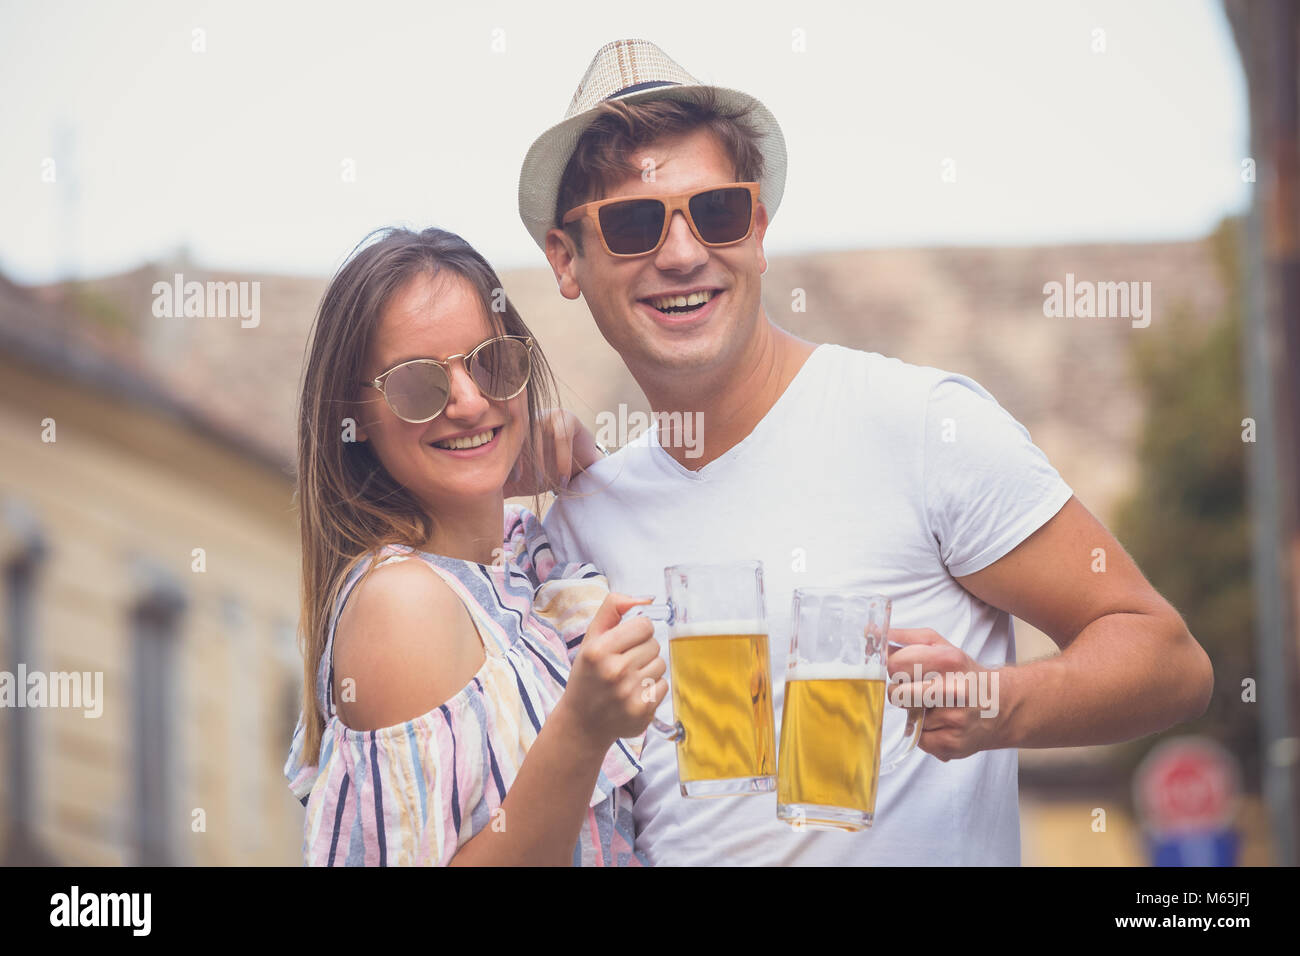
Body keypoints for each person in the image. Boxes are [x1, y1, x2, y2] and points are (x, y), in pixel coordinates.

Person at [518, 38, 1215, 865]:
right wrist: (489, 479)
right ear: (567, 258)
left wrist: (1000, 704)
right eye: (634, 223)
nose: (682, 252)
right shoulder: (581, 519)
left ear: (759, 229)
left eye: (717, 211)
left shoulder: (920, 427)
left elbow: (1169, 659)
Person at [282, 226, 666, 866]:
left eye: (493, 363)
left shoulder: (515, 560)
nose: (469, 400)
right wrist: (581, 729)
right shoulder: (401, 606)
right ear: (355, 417)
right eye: (417, 385)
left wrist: (577, 473)